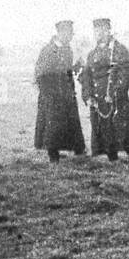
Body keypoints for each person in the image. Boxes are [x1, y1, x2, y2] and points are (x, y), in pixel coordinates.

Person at [79, 18, 129, 164]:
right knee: (103, 129)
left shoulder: (119, 50)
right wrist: (88, 96)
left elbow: (126, 75)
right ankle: (112, 158)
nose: (98, 34)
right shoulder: (92, 54)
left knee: (121, 127)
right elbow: (86, 76)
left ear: (108, 31)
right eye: (96, 31)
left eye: (102, 30)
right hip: (98, 98)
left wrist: (116, 93)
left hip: (115, 97)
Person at [34, 19, 86, 163]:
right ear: (61, 33)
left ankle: (78, 151)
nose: (70, 37)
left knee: (71, 123)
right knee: (53, 125)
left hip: (66, 94)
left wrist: (78, 67)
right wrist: (49, 94)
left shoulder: (67, 49)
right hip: (51, 95)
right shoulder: (48, 50)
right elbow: (40, 73)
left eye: (72, 34)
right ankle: (53, 155)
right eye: (68, 33)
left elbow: (67, 71)